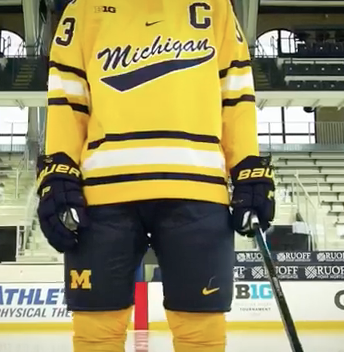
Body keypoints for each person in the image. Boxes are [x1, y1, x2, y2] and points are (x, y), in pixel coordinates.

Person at [37, 0, 275, 351]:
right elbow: (68, 100)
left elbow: (236, 92)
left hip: (197, 188)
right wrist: (60, 170)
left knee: (201, 334)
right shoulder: (83, 7)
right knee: (96, 334)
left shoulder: (216, 6)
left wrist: (247, 167)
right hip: (103, 194)